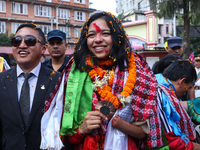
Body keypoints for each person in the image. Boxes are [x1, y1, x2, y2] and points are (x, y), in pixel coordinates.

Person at [40, 12, 164, 150]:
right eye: (91, 35)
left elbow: (145, 133)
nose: (97, 40)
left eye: (105, 33)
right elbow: (60, 133)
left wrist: (120, 124)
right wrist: (82, 129)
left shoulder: (137, 71)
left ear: (117, 37)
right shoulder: (74, 72)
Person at [0, 23, 60, 149]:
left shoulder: (58, 81)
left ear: (43, 49)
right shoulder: (1, 80)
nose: (22, 45)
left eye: (30, 41)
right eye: (16, 41)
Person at [155, 60, 200, 149]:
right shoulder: (161, 93)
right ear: (182, 82)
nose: (186, 92)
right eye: (188, 87)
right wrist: (193, 146)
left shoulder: (157, 82)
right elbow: (170, 138)